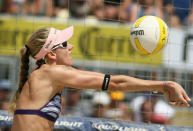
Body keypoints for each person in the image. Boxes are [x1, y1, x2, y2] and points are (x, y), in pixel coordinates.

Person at [8, 25, 191, 131]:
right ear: (52, 55)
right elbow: (115, 82)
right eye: (64, 44)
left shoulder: (43, 75)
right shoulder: (50, 73)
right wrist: (164, 85)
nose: (71, 46)